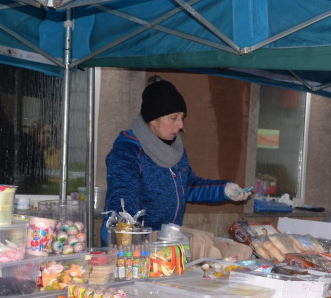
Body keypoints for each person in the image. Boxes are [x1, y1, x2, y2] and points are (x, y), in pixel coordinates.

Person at [104, 77, 250, 241]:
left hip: (167, 244)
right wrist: (130, 246)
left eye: (182, 117)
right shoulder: (127, 153)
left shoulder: (175, 151)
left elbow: (188, 187)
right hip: (138, 249)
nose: (181, 125)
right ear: (154, 119)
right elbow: (122, 205)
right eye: (174, 118)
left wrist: (224, 189)